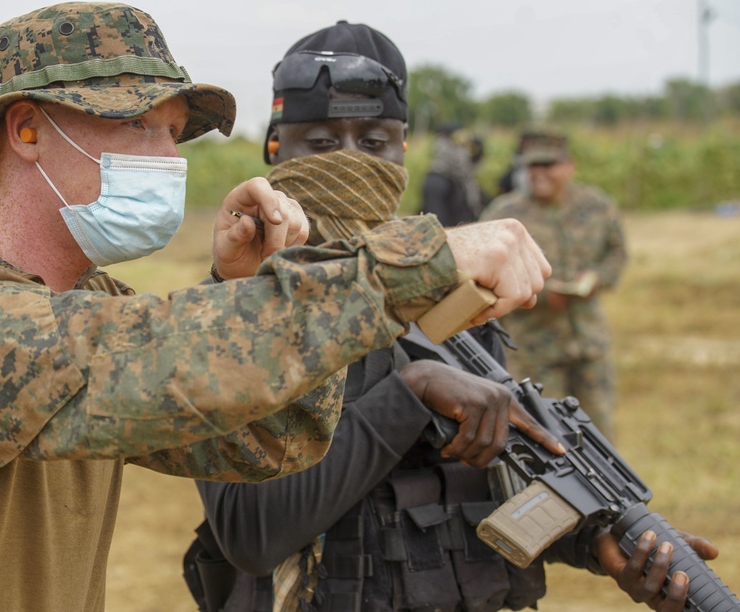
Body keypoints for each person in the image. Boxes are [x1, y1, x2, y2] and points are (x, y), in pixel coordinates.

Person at [0, 4, 555, 611]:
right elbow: (127, 361)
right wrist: (418, 264)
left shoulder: (86, 301)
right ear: (27, 130)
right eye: (137, 125)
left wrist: (238, 288)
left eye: (175, 134)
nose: (168, 159)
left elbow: (262, 445)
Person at [186, 20, 714, 612]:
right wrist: (412, 392)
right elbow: (251, 534)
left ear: (404, 149)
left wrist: (593, 542)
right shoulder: (237, 303)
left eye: (375, 141)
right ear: (275, 149)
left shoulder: (450, 286)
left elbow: (476, 488)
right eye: (325, 142)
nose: (353, 161)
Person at [481, 129, 627, 441]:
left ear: (569, 166)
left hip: (588, 343)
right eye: (533, 166)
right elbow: (482, 276)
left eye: (549, 165)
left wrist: (596, 279)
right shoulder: (504, 215)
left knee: (599, 436)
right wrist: (542, 294)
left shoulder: (596, 206)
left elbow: (616, 252)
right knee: (546, 436)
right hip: (534, 351)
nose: (540, 173)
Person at [420, 125, 491, 227]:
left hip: (444, 182)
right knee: (438, 221)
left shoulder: (442, 145)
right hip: (442, 183)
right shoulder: (451, 146)